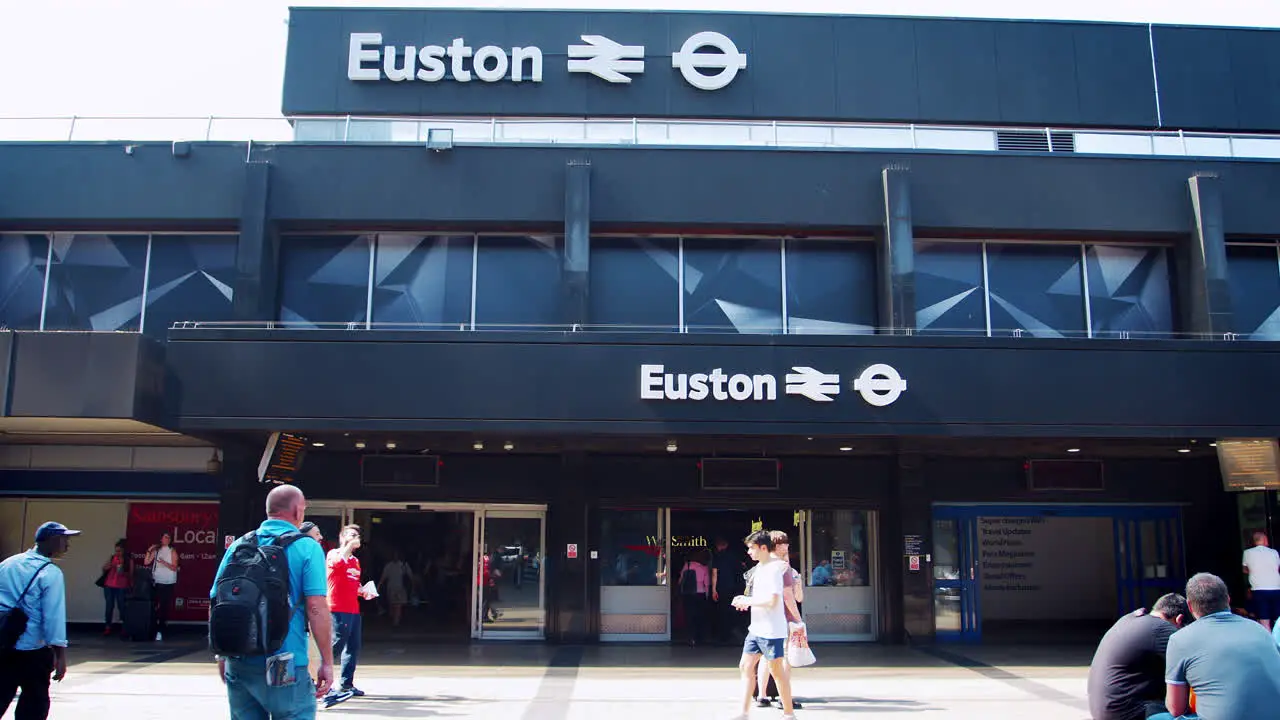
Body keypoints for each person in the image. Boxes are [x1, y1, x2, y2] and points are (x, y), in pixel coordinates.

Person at [211, 484, 335, 720]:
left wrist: (221, 654)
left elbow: (216, 601)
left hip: (239, 658)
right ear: (298, 511)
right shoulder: (307, 547)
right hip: (283, 660)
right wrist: (327, 662)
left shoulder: (239, 546)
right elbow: (316, 608)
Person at [1152, 572, 1280, 720]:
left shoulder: (1179, 639)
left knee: (1155, 716)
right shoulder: (1260, 630)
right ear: (1228, 599)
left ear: (1189, 606)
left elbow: (1176, 709)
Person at [0, 521, 78, 720]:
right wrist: (60, 655)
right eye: (64, 539)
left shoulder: (8, 563)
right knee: (34, 706)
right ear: (51, 541)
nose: (67, 544)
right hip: (33, 650)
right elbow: (53, 617)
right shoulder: (50, 573)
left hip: (3, 646)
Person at [1086, 594, 1190, 720]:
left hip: (1103, 709)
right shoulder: (1161, 629)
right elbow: (1193, 662)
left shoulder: (1128, 619)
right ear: (1179, 619)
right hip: (1124, 712)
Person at [731, 530, 796, 720]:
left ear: (764, 548)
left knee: (776, 671)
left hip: (771, 631)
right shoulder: (759, 568)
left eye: (752, 548)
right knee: (745, 666)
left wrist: (747, 601)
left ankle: (789, 713)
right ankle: (743, 712)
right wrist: (746, 600)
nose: (749, 552)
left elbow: (773, 601)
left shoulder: (774, 569)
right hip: (756, 629)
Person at [324, 525, 374, 709]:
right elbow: (337, 565)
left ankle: (346, 683)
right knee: (336, 644)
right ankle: (320, 680)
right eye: (351, 535)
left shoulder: (355, 561)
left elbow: (354, 582)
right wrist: (348, 545)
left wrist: (363, 592)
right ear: (342, 537)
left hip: (353, 608)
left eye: (357, 536)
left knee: (353, 647)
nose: (355, 538)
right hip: (337, 608)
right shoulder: (334, 554)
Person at [757, 530, 805, 710]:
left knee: (765, 656)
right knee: (785, 658)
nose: (787, 546)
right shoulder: (783, 567)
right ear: (776, 546)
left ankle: (762, 695)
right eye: (783, 543)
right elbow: (790, 597)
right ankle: (784, 698)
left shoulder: (763, 566)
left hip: (764, 618)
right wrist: (797, 620)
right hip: (781, 619)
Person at [144, 532, 180, 641]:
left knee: (164, 607)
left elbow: (174, 567)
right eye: (165, 537)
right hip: (157, 581)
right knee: (155, 606)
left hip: (168, 582)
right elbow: (146, 562)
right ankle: (152, 629)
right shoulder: (157, 550)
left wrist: (164, 562)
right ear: (161, 539)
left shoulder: (172, 551)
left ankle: (161, 630)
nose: (167, 539)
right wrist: (150, 550)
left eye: (169, 538)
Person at [1242, 531, 1280, 630]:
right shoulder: (1274, 552)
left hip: (1259, 589)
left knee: (1264, 619)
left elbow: (1245, 570)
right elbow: (1278, 567)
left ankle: (1268, 642)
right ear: (1264, 540)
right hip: (1276, 587)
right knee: (1278, 617)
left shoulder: (1247, 553)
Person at [711, 537, 744, 644]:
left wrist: (713, 589)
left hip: (722, 587)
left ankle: (723, 636)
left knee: (722, 611)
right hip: (734, 588)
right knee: (733, 611)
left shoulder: (717, 557)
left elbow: (714, 573)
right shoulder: (734, 557)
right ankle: (733, 631)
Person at [678, 548, 711, 646]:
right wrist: (707, 595)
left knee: (689, 616)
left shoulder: (686, 565)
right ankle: (700, 638)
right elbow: (707, 583)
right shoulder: (704, 567)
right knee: (700, 616)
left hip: (688, 594)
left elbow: (680, 581)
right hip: (700, 594)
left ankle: (691, 637)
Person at [100, 538, 132, 636]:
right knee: (109, 606)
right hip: (109, 585)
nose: (117, 553)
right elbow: (103, 568)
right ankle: (108, 627)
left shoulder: (128, 560)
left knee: (122, 606)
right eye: (116, 550)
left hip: (121, 586)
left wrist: (123, 572)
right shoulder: (112, 558)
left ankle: (125, 627)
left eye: (119, 551)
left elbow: (131, 575)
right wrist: (109, 566)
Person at [379, 549, 412, 627]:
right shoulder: (389, 566)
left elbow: (410, 576)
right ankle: (394, 620)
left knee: (398, 605)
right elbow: (383, 577)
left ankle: (396, 623)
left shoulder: (403, 565)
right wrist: (379, 586)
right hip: (391, 588)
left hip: (400, 588)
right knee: (393, 605)